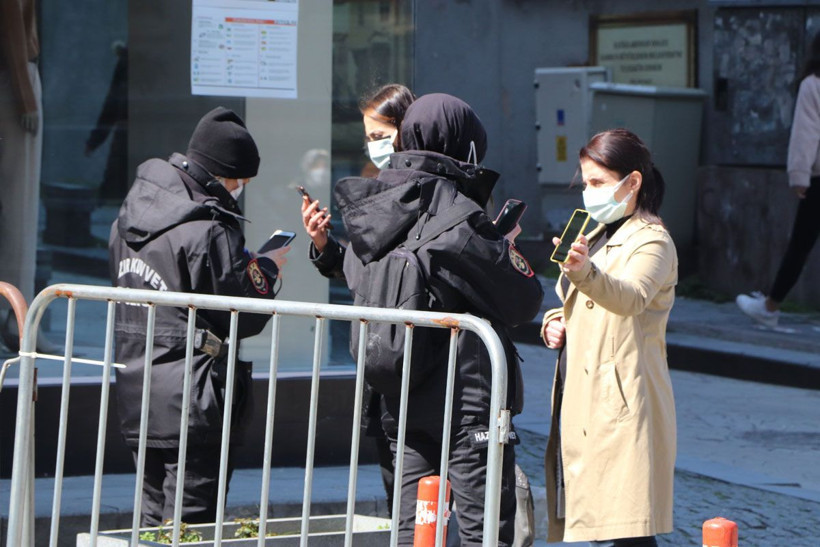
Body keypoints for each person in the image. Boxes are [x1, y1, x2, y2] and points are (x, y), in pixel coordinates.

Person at [301, 93, 544, 545]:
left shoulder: (376, 205)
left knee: (414, 528)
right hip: (465, 400)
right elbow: (523, 300)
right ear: (465, 146)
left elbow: (356, 275)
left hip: (400, 391)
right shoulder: (457, 213)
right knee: (483, 529)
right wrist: (503, 247)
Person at [108, 106, 289, 526]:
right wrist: (265, 269)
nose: (240, 189)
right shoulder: (208, 227)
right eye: (240, 181)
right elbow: (243, 313)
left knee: (152, 519)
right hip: (194, 397)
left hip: (138, 390)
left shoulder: (127, 219)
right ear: (221, 173)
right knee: (191, 523)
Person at [541, 128, 677, 546]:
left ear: (632, 182)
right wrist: (553, 321)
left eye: (598, 182)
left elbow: (631, 297)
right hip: (582, 396)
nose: (589, 192)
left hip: (621, 400)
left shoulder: (652, 240)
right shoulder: (595, 231)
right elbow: (574, 300)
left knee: (626, 528)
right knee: (602, 524)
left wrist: (583, 272)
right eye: (585, 183)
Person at [735, 32, 820, 328]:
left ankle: (769, 307)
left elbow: (807, 133)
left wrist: (799, 175)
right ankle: (769, 305)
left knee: (801, 244)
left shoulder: (813, 84)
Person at [0, 0, 42, 343]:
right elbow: (13, 20)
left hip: (13, 76)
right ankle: (18, 321)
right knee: (20, 207)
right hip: (14, 80)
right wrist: (26, 97)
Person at [85, 41, 129, 204]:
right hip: (125, 132)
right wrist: (94, 140)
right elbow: (112, 104)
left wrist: (94, 140)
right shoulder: (127, 61)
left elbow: (112, 104)